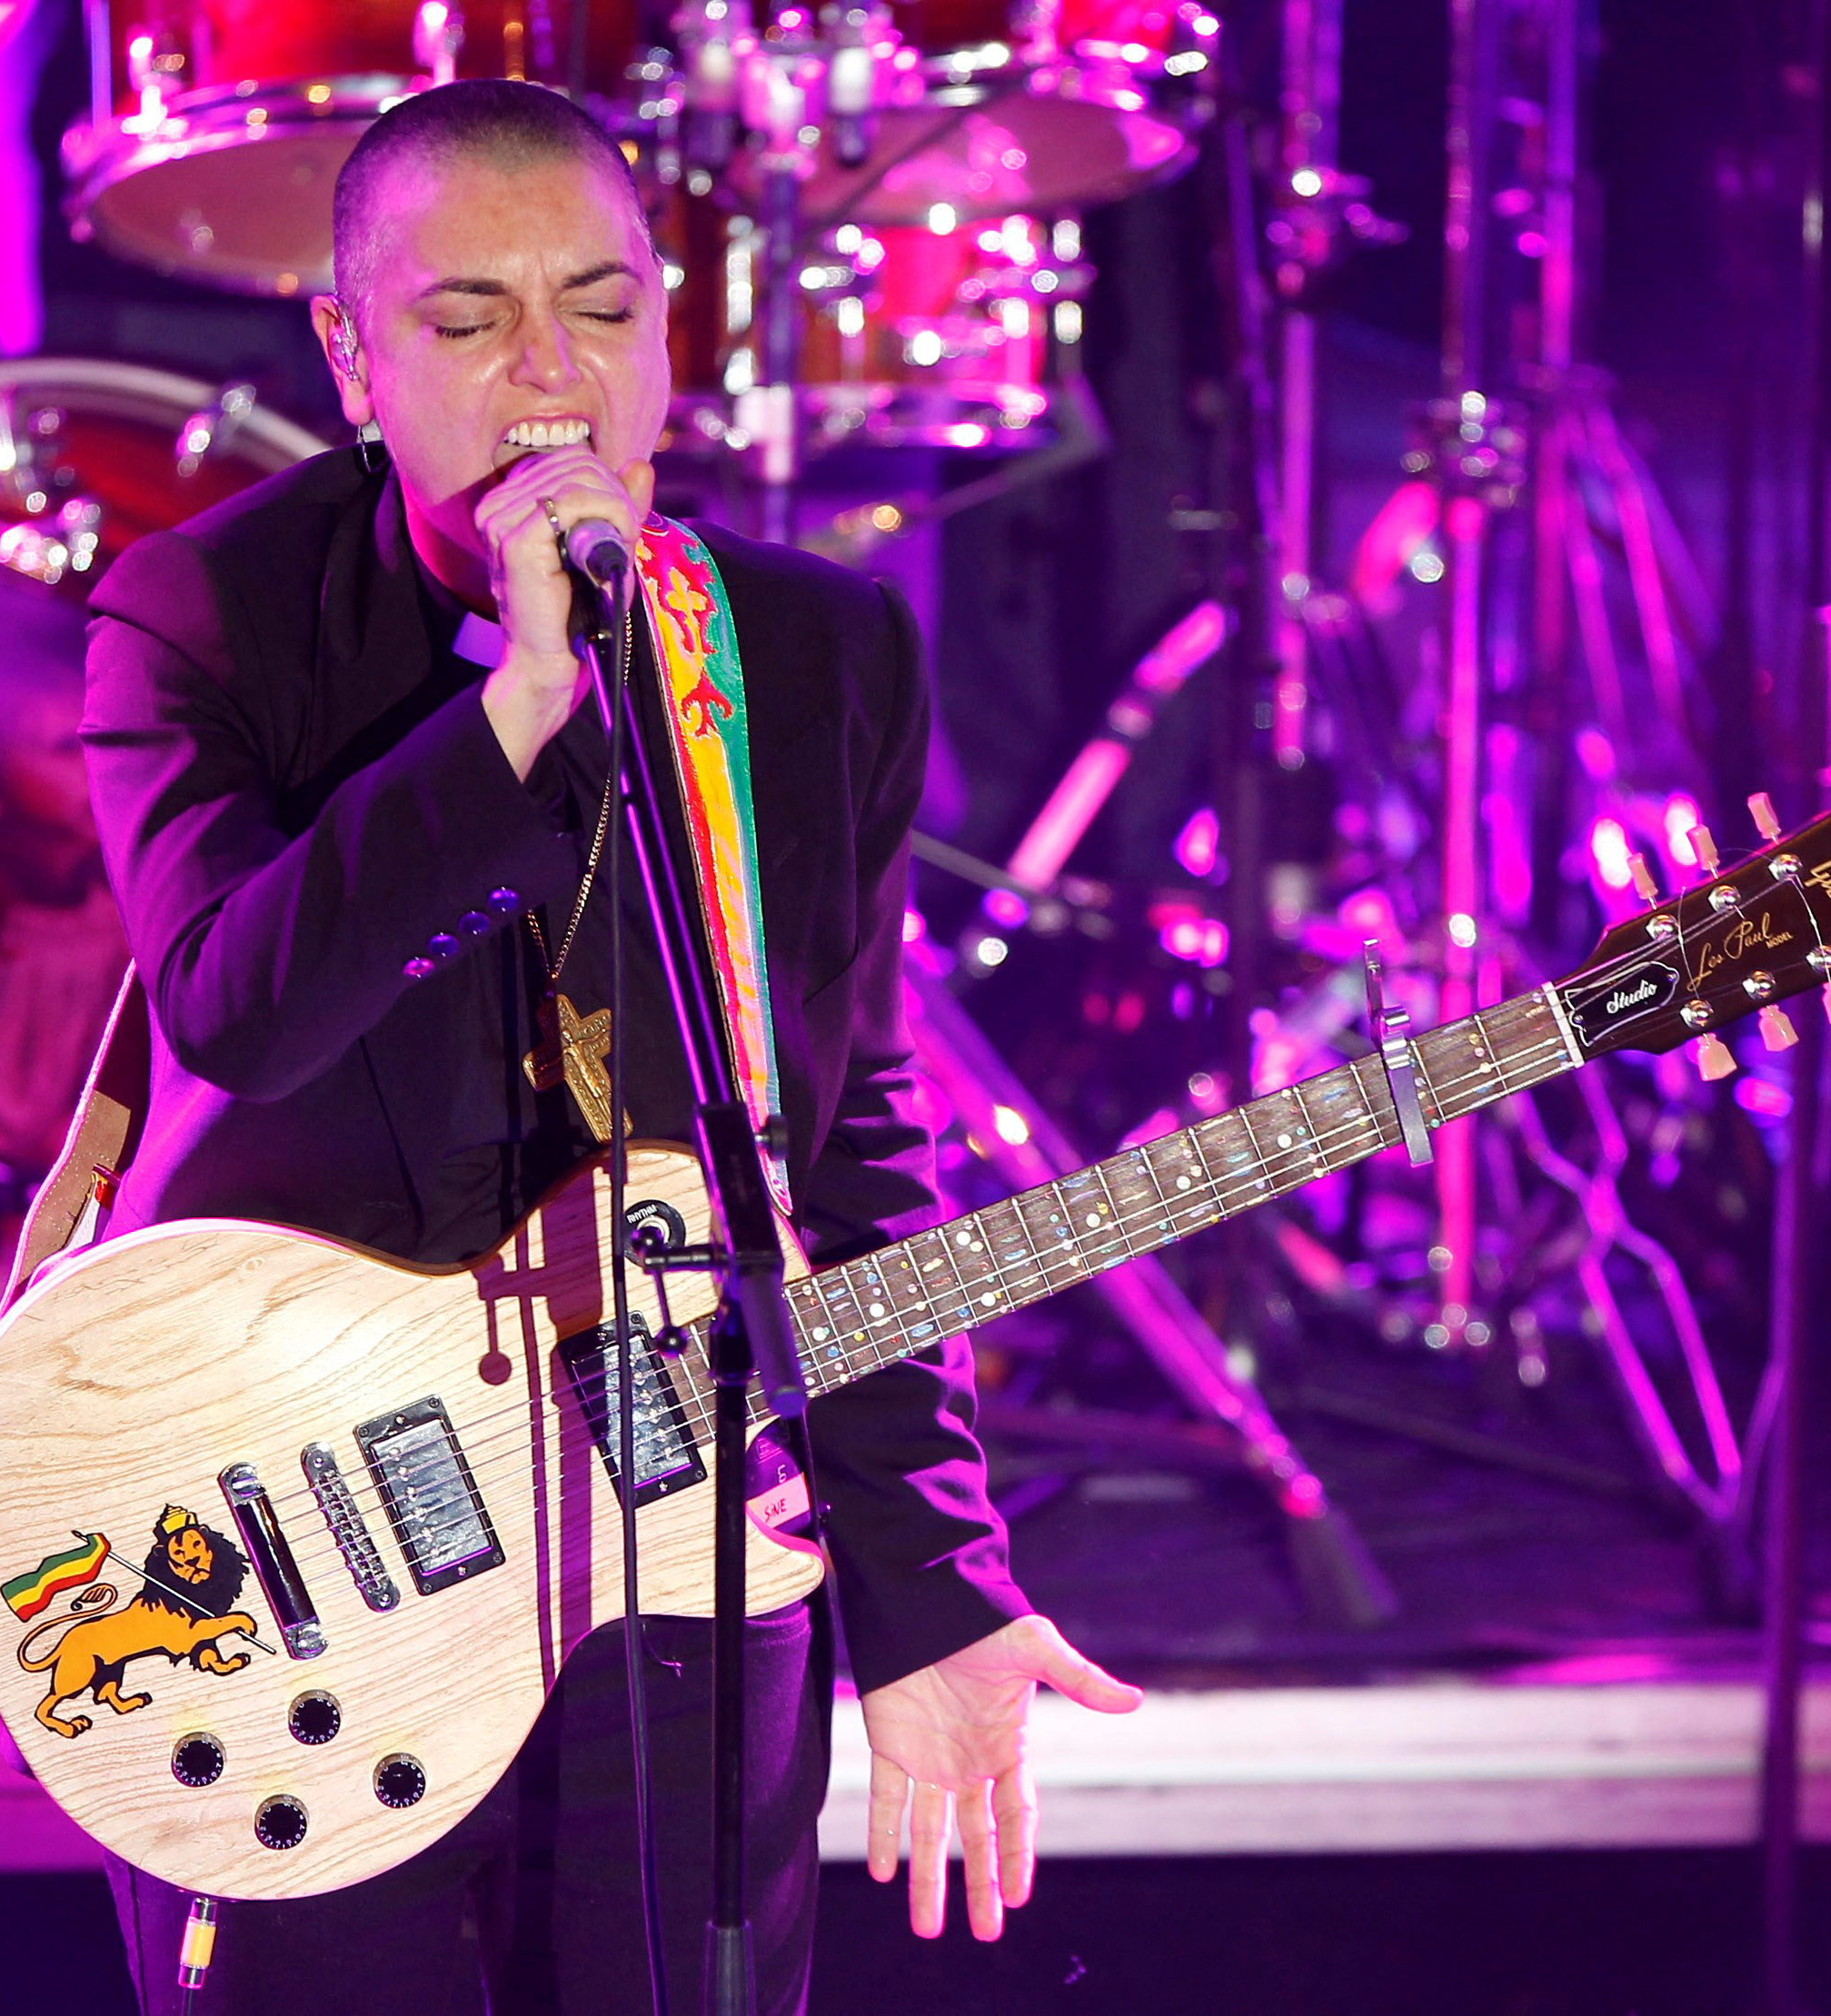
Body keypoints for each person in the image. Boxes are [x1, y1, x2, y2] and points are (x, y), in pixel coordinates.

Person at [75, 78, 1139, 2015]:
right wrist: (516, 710)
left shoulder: (807, 656)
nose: (549, 376)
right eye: (468, 320)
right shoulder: (204, 615)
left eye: (602, 308)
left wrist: (932, 1585)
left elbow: (838, 1140)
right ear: (353, 358)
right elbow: (239, 1007)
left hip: (672, 1537)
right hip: (297, 1543)